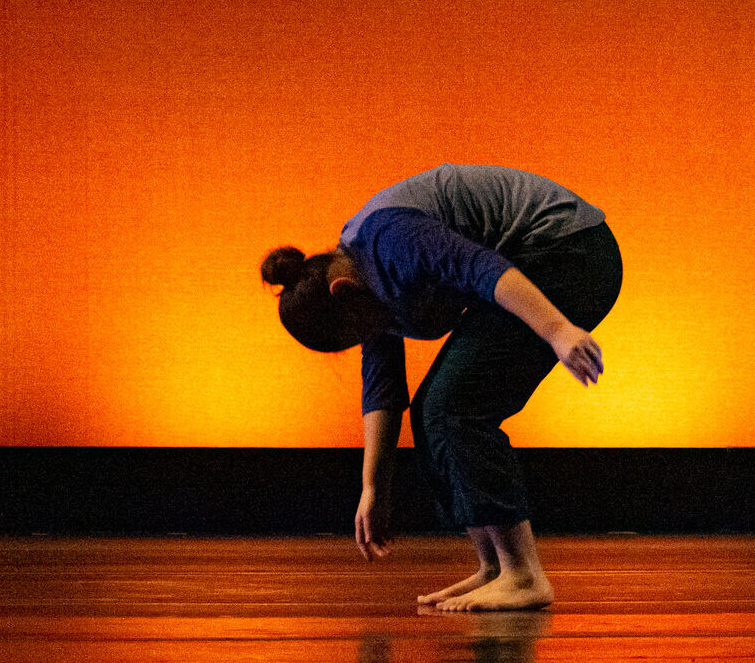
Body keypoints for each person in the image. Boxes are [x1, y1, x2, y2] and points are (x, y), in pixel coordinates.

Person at [259, 163, 622, 611]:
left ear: (343, 294)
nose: (366, 341)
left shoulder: (392, 242)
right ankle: (495, 567)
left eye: (353, 336)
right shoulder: (359, 279)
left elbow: (482, 269)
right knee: (432, 408)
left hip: (570, 251)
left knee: (455, 405)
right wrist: (374, 486)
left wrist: (558, 330)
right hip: (538, 261)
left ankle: (524, 574)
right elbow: (383, 389)